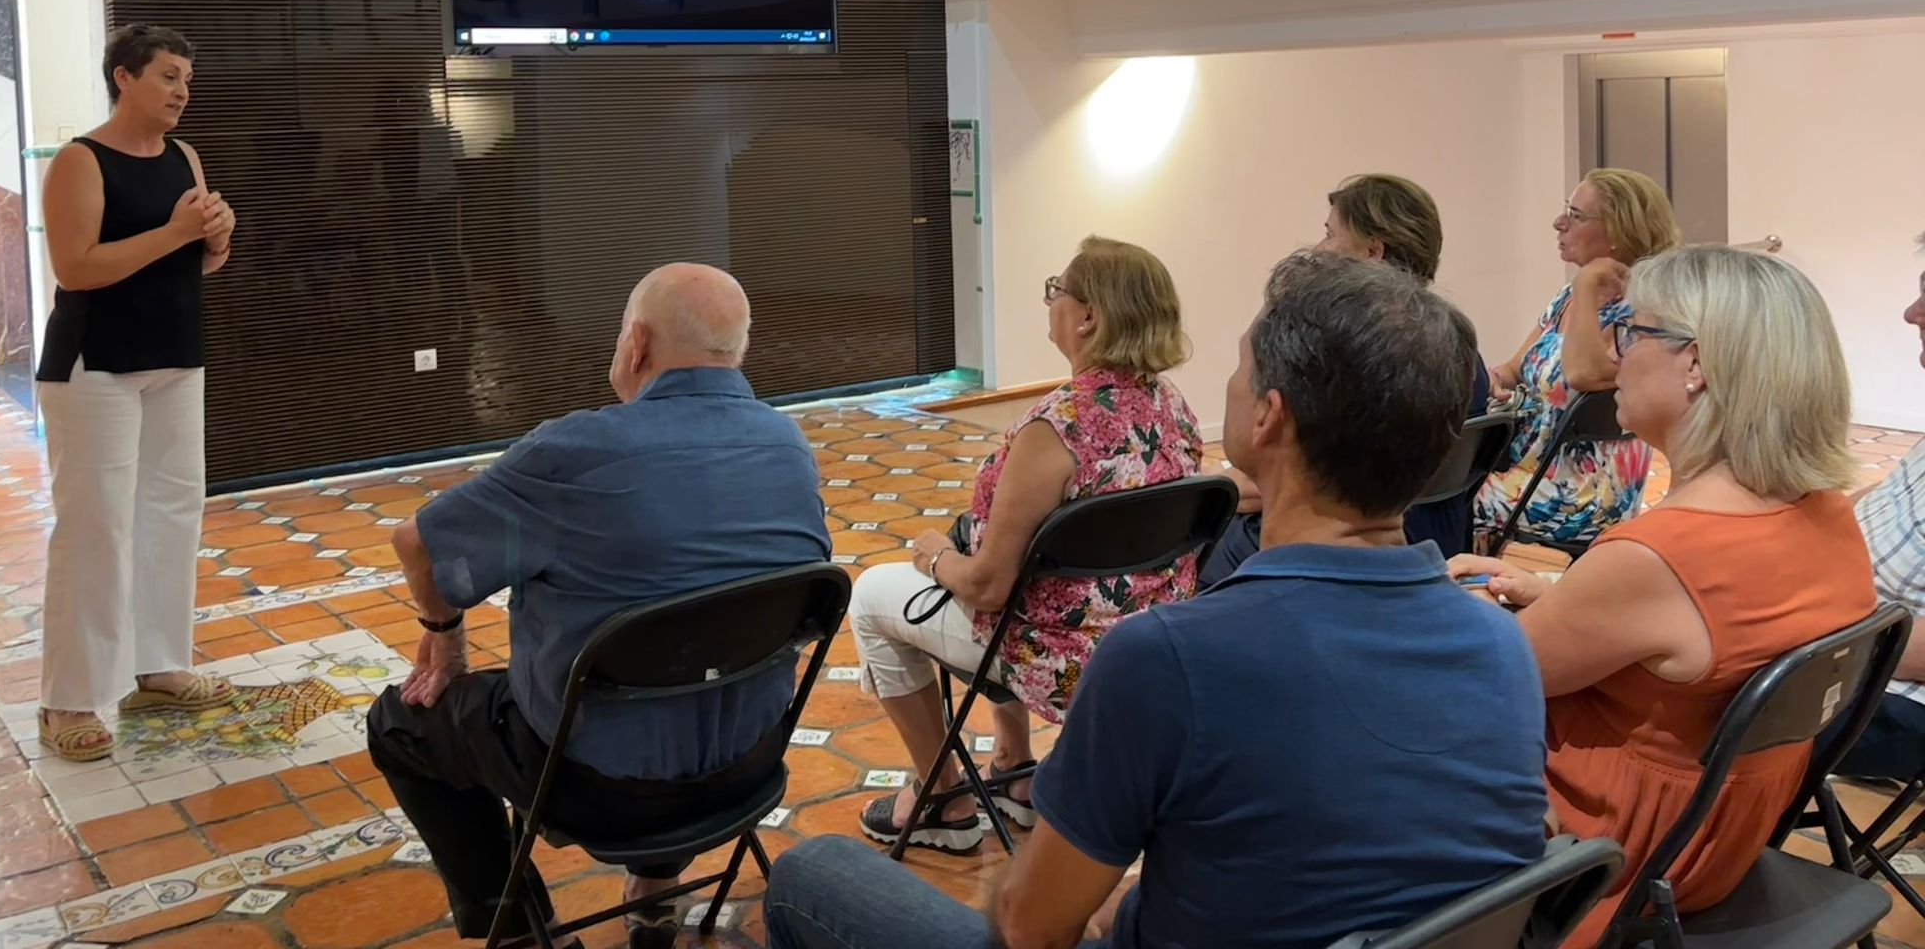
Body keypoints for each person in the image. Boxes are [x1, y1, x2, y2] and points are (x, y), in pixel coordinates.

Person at [767, 252, 1548, 949]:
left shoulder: (1168, 661)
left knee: (812, 873)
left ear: (1269, 416)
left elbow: (1029, 927)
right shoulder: (1504, 648)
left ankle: (942, 800)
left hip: (1051, 673)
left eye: (1241, 369)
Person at [367, 264, 828, 947]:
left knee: (399, 724)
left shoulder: (573, 452)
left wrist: (445, 634)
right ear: (739, 350)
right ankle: (655, 891)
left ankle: (523, 931)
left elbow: (418, 544)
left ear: (635, 344)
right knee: (687, 664)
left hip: (592, 787)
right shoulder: (788, 445)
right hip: (748, 766)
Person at [1449, 245, 1876, 947]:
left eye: (1632, 331)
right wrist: (1557, 593)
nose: (1614, 355)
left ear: (1696, 363)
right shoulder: (1827, 512)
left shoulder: (1660, 554)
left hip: (1605, 855)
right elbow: (1687, 631)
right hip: (1723, 841)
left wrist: (1459, 604)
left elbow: (1495, 676)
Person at [847, 236, 1202, 854]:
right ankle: (1016, 767)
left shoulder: (1057, 427)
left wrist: (934, 557)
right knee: (1002, 560)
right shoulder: (1171, 406)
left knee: (872, 596)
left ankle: (942, 797)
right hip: (1153, 643)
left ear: (1087, 316)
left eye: (1055, 290)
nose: (1049, 302)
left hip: (1061, 659)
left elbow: (989, 587)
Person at [35, 25, 236, 761]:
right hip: (96, 367)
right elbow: (76, 267)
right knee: (96, 529)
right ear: (124, 77)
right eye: (168, 76)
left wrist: (216, 236)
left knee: (171, 514)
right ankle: (67, 699)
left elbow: (195, 263)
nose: (182, 91)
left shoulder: (184, 156)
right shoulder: (79, 160)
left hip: (174, 356)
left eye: (187, 79)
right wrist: (178, 231)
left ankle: (158, 666)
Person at [1205, 174, 1491, 581]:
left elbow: (1298, 482)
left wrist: (1210, 492)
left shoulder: (1346, 361)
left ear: (1373, 252)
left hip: (1341, 561)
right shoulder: (1460, 353)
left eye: (1329, 234)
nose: (1320, 248)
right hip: (1432, 547)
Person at [1473, 167, 1681, 550]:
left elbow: (1584, 372)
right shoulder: (1565, 298)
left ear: (1618, 232)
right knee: (1435, 481)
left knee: (1442, 498)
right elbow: (1516, 367)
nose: (1559, 223)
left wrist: (1586, 285)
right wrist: (1495, 379)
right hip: (1527, 470)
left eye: (1576, 215)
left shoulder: (1647, 308)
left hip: (1583, 495)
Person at [1835, 234, 1925, 783]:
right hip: (1843, 639)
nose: (1911, 312)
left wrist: (1797, 617)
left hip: (1895, 699)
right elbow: (1885, 499)